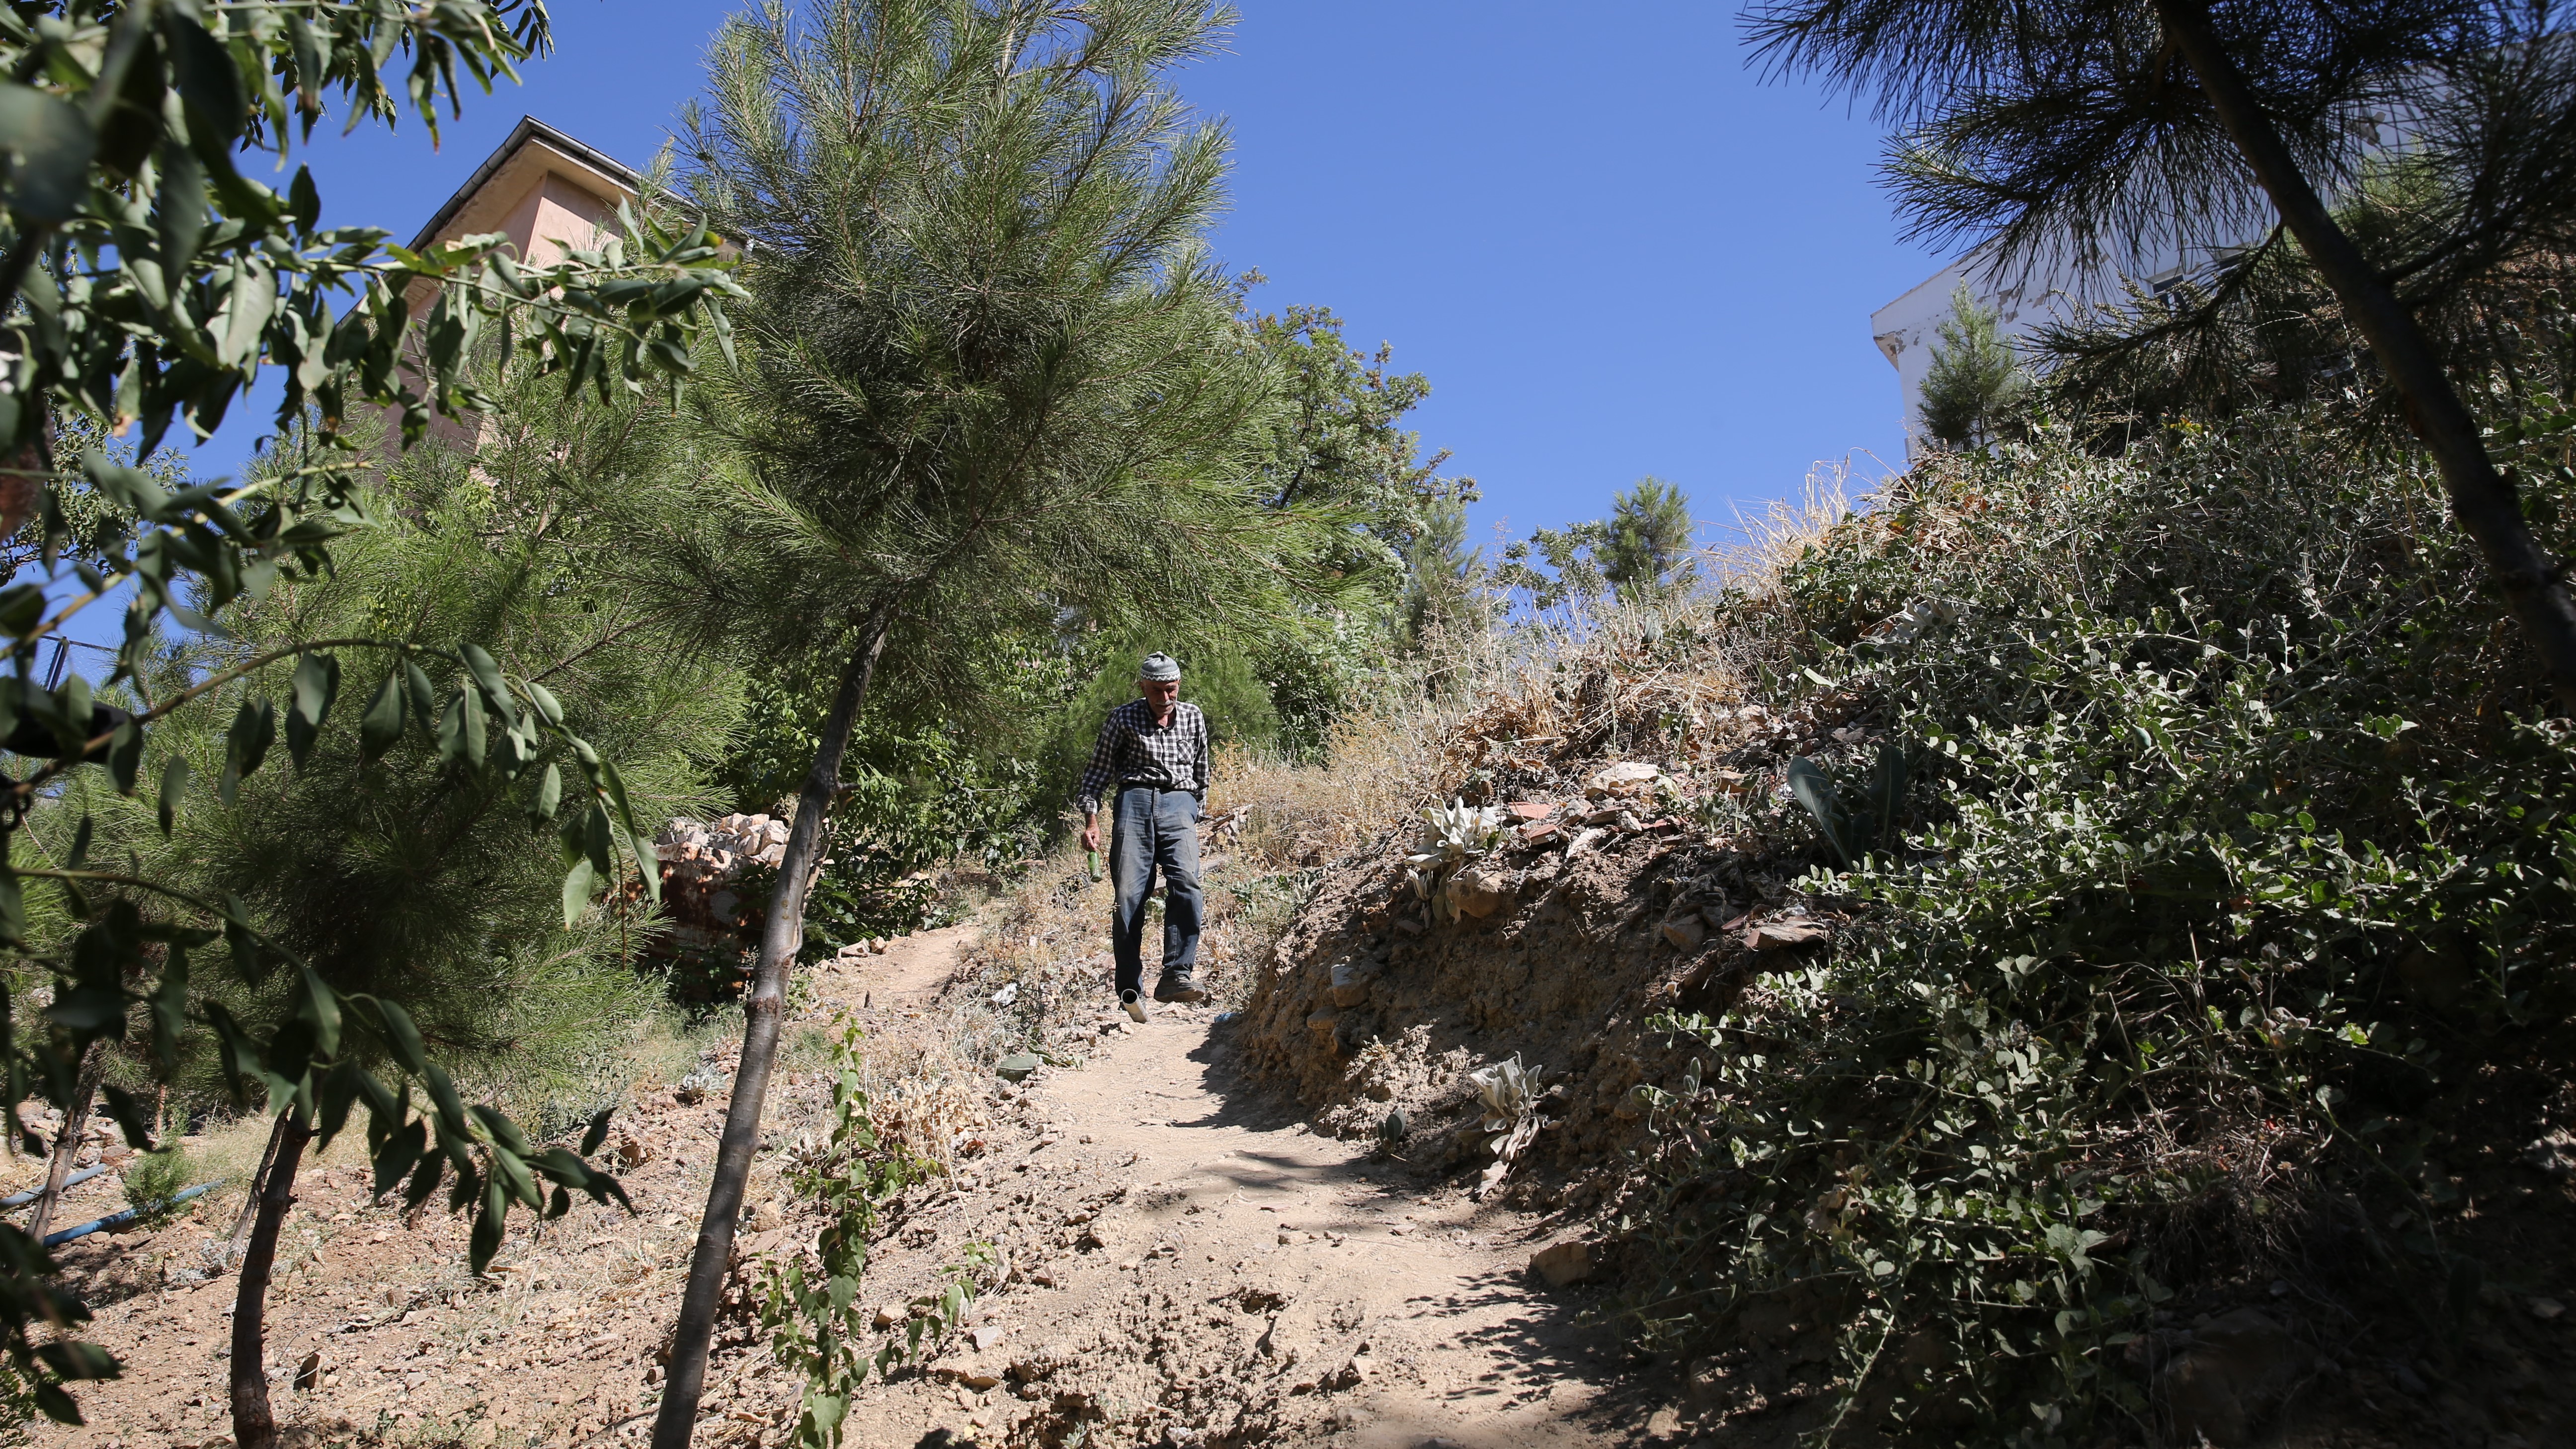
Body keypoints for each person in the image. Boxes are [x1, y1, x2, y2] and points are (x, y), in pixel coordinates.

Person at [1076, 651, 1209, 1021]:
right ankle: (1130, 988)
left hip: (1179, 803)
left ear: (1178, 685)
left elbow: (1202, 774)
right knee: (1129, 895)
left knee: (1186, 882)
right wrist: (1092, 821)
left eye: (1171, 690)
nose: (1164, 699)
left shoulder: (1193, 717)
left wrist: (1192, 809)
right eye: (1156, 691)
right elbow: (1096, 775)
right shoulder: (1123, 718)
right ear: (1142, 687)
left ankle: (1176, 975)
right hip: (1133, 802)